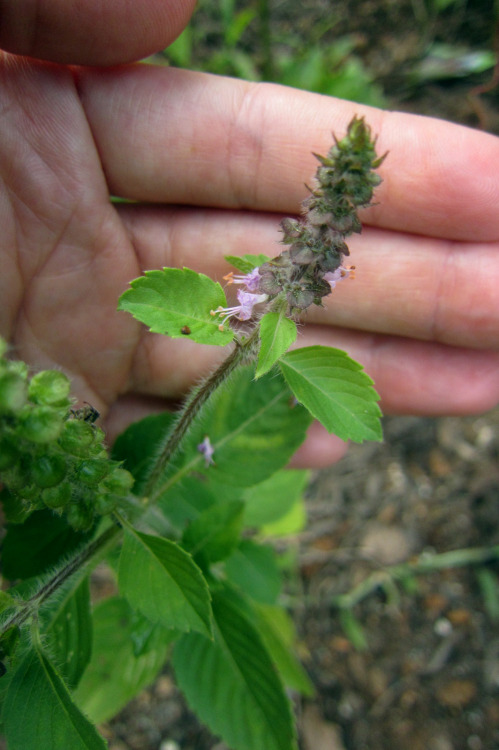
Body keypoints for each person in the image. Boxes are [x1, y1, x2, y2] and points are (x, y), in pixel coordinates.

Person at [1, 0, 498, 469]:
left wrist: (268, 326)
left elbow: (342, 394)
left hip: (274, 305)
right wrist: (252, 304)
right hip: (261, 301)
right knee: (204, 315)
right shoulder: (286, 264)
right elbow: (154, 301)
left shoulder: (305, 277)